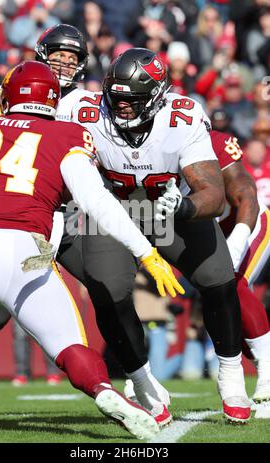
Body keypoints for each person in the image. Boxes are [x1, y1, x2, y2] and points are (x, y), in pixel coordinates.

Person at [0, 25, 177, 427]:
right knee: (65, 341)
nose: (64, 63)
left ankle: (141, 378)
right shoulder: (68, 132)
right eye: (57, 56)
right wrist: (147, 252)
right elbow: (97, 200)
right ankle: (107, 390)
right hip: (32, 240)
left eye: (72, 57)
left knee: (102, 287)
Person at [67, 48, 250, 424]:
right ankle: (142, 380)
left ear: (155, 97)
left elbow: (213, 194)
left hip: (168, 207)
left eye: (130, 100)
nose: (120, 107)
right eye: (114, 98)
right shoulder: (81, 109)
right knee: (107, 290)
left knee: (219, 277)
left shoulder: (181, 117)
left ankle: (231, 373)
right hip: (112, 210)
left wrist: (184, 207)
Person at [158, 129, 270, 402]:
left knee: (233, 283)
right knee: (221, 303)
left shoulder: (216, 143)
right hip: (204, 232)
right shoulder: (153, 147)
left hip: (245, 223)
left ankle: (268, 370)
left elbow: (247, 195)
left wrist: (239, 238)